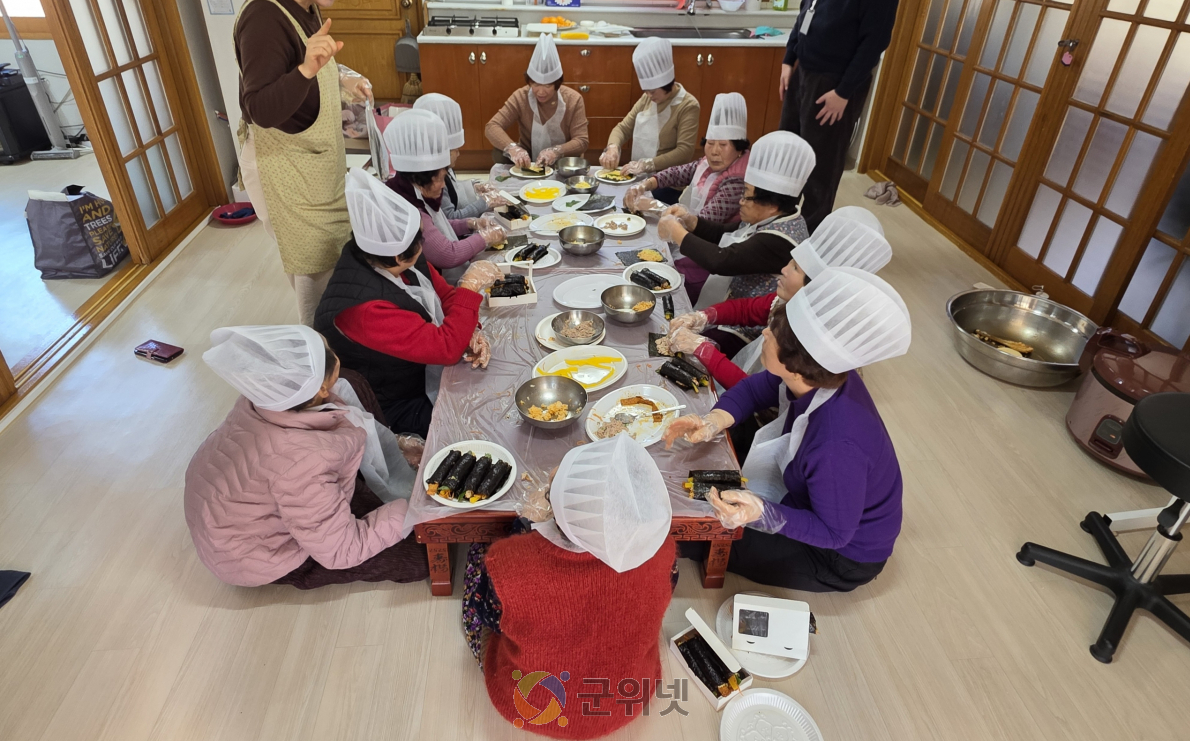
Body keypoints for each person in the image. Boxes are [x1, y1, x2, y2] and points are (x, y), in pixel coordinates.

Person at [668, 267, 911, 592]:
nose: (764, 335)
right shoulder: (818, 375)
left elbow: (834, 532)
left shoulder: (837, 445)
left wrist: (761, 512)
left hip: (838, 555)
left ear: (796, 362)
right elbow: (753, 390)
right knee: (714, 455)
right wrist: (713, 420)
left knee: (704, 536)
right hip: (806, 493)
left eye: (773, 334)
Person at [185, 324, 428, 589]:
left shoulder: (266, 399)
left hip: (237, 508)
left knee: (351, 381)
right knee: (419, 557)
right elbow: (341, 551)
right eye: (327, 350)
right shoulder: (302, 463)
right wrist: (414, 508)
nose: (333, 351)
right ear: (322, 388)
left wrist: (394, 445)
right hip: (253, 557)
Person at [463, 434, 675, 738]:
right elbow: (662, 594)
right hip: (626, 696)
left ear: (555, 511)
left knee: (477, 562)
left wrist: (524, 525)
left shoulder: (507, 562)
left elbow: (487, 616)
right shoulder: (661, 550)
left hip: (533, 704)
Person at [234, 0, 369, 325]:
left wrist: (339, 79)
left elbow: (308, 66)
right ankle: (322, 377)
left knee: (337, 273)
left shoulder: (304, 4)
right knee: (318, 293)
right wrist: (310, 68)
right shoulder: (263, 17)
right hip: (288, 177)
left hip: (316, 169)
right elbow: (260, 107)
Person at [315, 169, 500, 437]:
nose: (425, 245)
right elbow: (446, 348)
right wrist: (470, 287)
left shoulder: (395, 255)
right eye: (420, 241)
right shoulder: (364, 309)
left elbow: (445, 296)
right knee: (485, 417)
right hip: (393, 403)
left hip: (418, 370)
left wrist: (471, 331)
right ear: (401, 254)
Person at [779, 0, 905, 231]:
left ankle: (808, 248)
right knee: (788, 156)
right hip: (804, 70)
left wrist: (843, 92)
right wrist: (790, 58)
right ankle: (773, 232)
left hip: (835, 83)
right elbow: (808, 5)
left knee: (820, 169)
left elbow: (876, 38)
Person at [666, 207, 892, 388]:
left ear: (813, 287)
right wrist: (704, 316)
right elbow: (746, 309)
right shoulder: (791, 301)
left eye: (794, 268)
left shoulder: (808, 347)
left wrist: (703, 349)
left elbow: (756, 393)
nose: (782, 270)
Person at [658, 131, 814, 308]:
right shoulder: (775, 215)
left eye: (747, 196)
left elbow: (723, 261)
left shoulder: (780, 238)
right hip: (734, 295)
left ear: (772, 205)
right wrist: (691, 221)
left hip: (748, 317)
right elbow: (726, 232)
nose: (741, 202)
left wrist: (677, 233)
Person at [384, 109, 505, 283]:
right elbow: (448, 254)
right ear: (423, 178)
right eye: (440, 179)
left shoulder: (414, 188)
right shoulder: (408, 206)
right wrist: (485, 237)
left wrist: (471, 224)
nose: (443, 185)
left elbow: (437, 227)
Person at [622, 91, 749, 223]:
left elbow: (703, 223)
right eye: (710, 143)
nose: (715, 151)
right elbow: (677, 173)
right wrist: (644, 185)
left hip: (713, 240)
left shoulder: (737, 181)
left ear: (739, 148)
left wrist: (656, 207)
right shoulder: (707, 163)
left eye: (723, 145)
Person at [601, 37, 700, 175]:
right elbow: (623, 128)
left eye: (652, 91)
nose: (648, 95)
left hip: (669, 180)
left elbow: (684, 151)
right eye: (645, 91)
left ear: (667, 85)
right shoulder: (647, 99)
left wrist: (648, 164)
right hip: (638, 174)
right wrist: (612, 148)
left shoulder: (688, 105)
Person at [485, 34, 588, 168]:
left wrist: (556, 151)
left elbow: (582, 141)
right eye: (535, 84)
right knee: (499, 152)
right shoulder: (520, 97)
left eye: (547, 86)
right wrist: (513, 148)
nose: (540, 91)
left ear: (557, 85)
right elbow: (492, 127)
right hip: (529, 160)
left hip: (563, 161)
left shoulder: (573, 99)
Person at [413, 92, 505, 219]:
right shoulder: (433, 180)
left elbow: (455, 187)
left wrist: (474, 185)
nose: (459, 154)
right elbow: (451, 218)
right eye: (454, 150)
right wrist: (484, 203)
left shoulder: (444, 168)